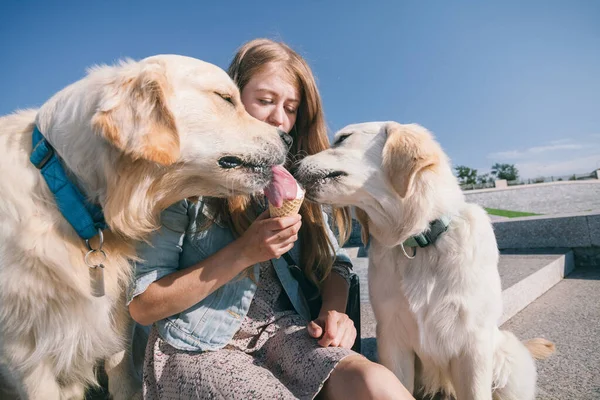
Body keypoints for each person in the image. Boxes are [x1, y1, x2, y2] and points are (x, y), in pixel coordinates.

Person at [128, 38, 413, 399]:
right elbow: (143, 305)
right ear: (231, 97)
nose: (280, 118)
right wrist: (246, 251)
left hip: (284, 332)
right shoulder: (187, 179)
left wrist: (334, 311)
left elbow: (335, 265)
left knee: (377, 384)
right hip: (196, 344)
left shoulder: (297, 184)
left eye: (291, 108)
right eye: (265, 101)